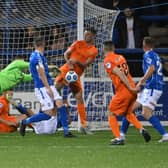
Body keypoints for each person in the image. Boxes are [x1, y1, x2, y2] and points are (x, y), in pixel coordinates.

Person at [19, 37, 74, 138]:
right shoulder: (36, 56)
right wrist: (48, 87)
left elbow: (43, 70)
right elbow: (41, 72)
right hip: (42, 87)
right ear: (44, 44)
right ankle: (25, 121)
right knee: (48, 114)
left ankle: (66, 132)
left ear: (35, 45)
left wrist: (51, 71)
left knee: (60, 104)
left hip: (49, 84)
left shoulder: (38, 55)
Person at [120, 37, 168, 143]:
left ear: (145, 45)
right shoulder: (155, 55)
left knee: (146, 113)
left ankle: (165, 135)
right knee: (129, 109)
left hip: (153, 88)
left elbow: (152, 69)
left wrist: (141, 81)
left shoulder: (148, 54)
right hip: (151, 87)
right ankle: (122, 135)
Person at [103, 40, 151, 145]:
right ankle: (141, 129)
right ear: (113, 48)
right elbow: (126, 72)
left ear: (104, 49)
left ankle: (118, 138)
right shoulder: (121, 57)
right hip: (132, 89)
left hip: (125, 90)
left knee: (111, 113)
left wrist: (130, 87)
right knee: (127, 113)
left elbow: (120, 73)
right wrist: (132, 87)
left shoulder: (107, 61)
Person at [55, 28, 98, 134]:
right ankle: (50, 117)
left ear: (93, 36)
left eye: (88, 34)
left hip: (76, 75)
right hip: (67, 70)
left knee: (79, 97)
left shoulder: (93, 50)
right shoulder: (77, 43)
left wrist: (77, 61)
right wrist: (69, 64)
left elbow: (86, 64)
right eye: (85, 34)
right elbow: (66, 54)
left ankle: (83, 125)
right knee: (55, 90)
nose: (85, 36)